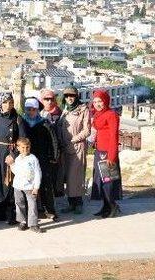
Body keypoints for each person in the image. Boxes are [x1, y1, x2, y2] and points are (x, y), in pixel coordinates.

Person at [19, 97, 59, 220]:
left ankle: (49, 210)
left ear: (37, 110)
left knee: (45, 184)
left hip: (42, 158)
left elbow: (53, 141)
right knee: (28, 184)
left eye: (33, 109)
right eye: (28, 109)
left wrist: (54, 156)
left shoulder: (44, 123)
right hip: (26, 158)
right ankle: (31, 211)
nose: (30, 112)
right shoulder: (22, 122)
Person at [56, 86, 91, 214]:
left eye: (72, 96)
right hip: (65, 147)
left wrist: (74, 139)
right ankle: (71, 203)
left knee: (75, 176)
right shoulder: (65, 110)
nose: (69, 98)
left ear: (77, 97)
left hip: (77, 147)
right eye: (66, 96)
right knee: (67, 176)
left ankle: (78, 203)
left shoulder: (83, 109)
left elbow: (87, 130)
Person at [90, 89, 122, 218]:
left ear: (106, 101)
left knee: (108, 182)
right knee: (100, 181)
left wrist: (112, 156)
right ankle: (105, 206)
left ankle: (113, 206)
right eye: (95, 101)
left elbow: (114, 136)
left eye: (100, 101)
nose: (98, 104)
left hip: (108, 153)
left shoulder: (111, 114)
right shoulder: (97, 114)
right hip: (99, 151)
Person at [0, 92, 19, 223]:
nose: (8, 105)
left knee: (10, 182)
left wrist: (14, 155)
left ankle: (10, 212)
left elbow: (22, 139)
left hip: (10, 153)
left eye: (11, 102)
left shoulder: (17, 119)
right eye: (5, 102)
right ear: (1, 104)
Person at [6, 137, 44, 233]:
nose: (25, 149)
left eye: (27, 147)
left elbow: (38, 173)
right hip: (18, 186)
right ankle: (22, 221)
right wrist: (11, 165)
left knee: (32, 205)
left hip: (30, 187)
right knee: (19, 204)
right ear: (18, 148)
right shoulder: (18, 159)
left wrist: (36, 187)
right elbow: (16, 172)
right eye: (23, 147)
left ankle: (33, 224)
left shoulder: (33, 159)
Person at [40, 88, 64, 198]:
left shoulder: (60, 114)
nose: (49, 101)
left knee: (55, 175)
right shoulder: (37, 113)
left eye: (51, 99)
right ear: (42, 100)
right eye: (46, 99)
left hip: (55, 149)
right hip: (41, 149)